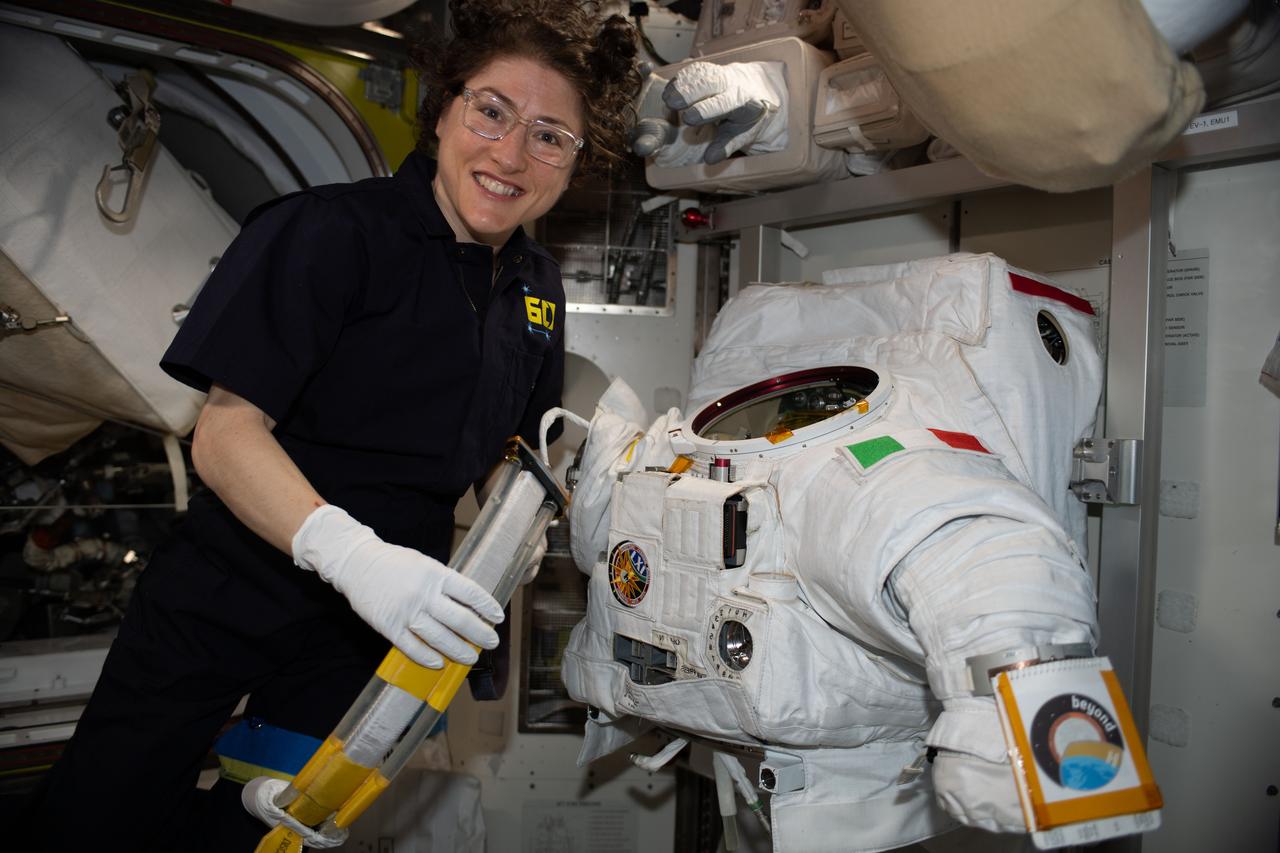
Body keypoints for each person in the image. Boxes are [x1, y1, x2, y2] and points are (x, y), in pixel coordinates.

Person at [20, 2, 641, 850]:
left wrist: (530, 525)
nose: (509, 154)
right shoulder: (329, 231)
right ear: (444, 107)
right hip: (233, 589)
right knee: (97, 821)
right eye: (491, 111)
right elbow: (225, 435)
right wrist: (351, 557)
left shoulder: (537, 286)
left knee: (271, 830)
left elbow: (507, 451)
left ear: (575, 162)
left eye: (549, 136)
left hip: (372, 631)